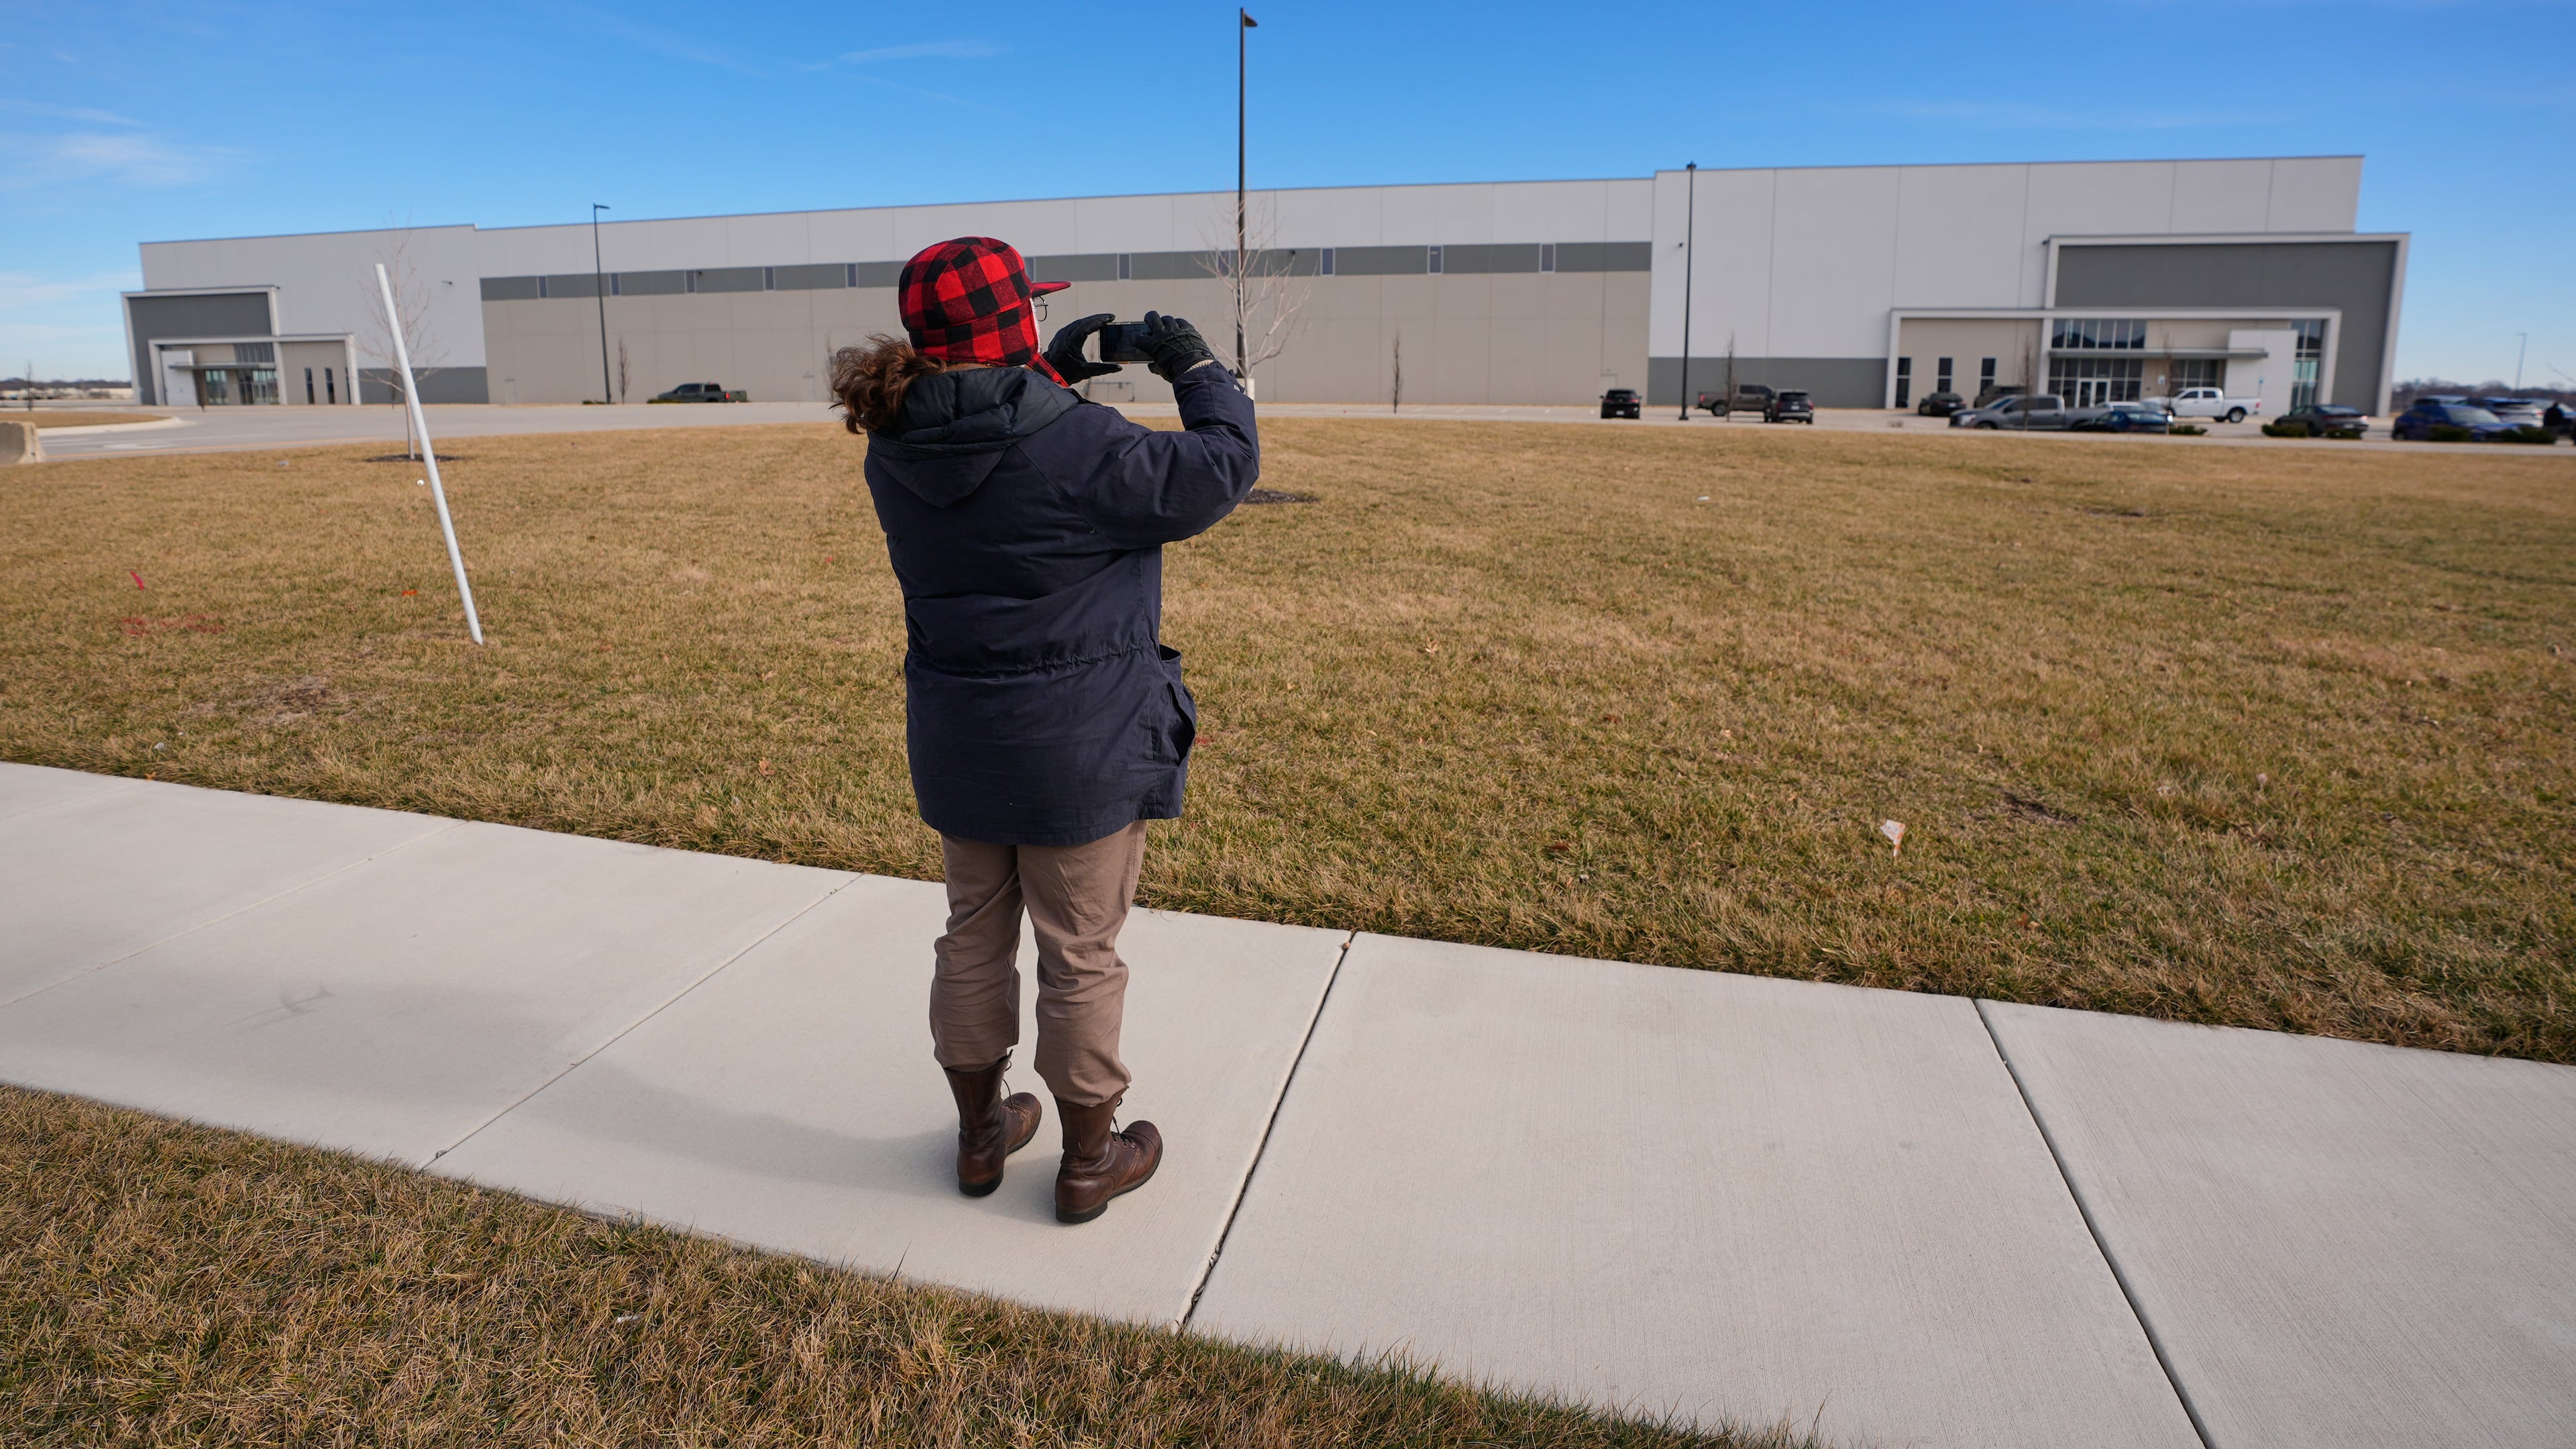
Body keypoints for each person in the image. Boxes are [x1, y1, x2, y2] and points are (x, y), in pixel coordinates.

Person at [830, 237, 1257, 1224]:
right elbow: (1222, 467)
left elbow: (987, 440)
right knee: (1081, 954)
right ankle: (1088, 1159)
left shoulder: (893, 443)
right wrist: (1194, 364)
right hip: (1079, 747)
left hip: (959, 740)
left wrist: (1052, 372)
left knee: (972, 939)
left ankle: (982, 1138)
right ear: (1015, 323)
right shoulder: (1086, 446)